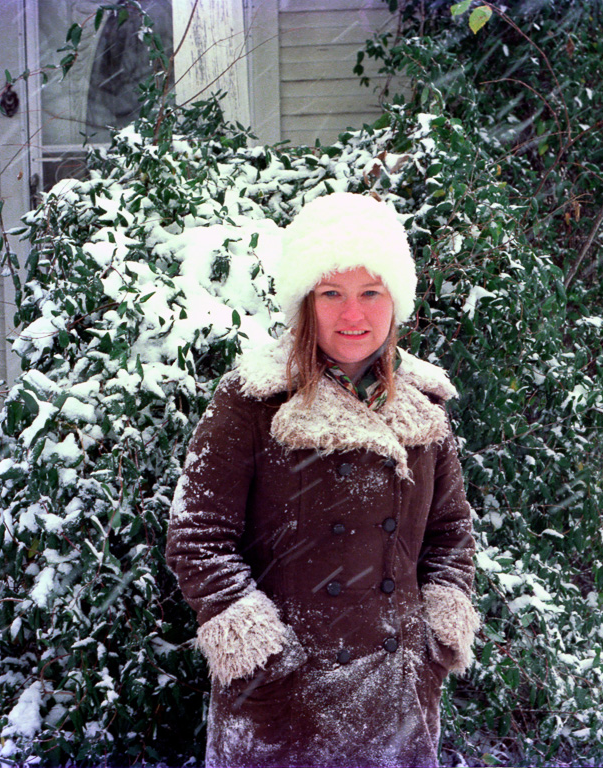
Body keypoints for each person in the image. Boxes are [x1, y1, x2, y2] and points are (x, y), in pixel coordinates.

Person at [166, 192, 479, 767]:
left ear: (396, 301)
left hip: (397, 695)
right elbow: (197, 535)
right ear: (304, 302)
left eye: (370, 293)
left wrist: (435, 638)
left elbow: (451, 531)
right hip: (283, 706)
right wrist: (265, 658)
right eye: (331, 293)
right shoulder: (253, 399)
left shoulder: (423, 404)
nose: (351, 315)